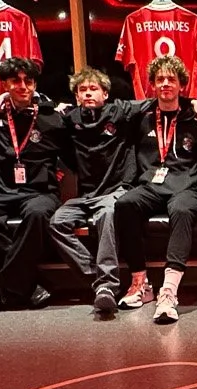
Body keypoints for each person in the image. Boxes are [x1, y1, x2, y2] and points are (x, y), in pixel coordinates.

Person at [109, 55, 197, 323]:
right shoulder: (142, 113)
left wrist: (195, 102)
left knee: (182, 211)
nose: (165, 84)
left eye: (171, 79)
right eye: (160, 79)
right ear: (152, 84)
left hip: (187, 184)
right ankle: (140, 283)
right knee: (124, 204)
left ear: (182, 84)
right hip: (152, 183)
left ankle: (169, 292)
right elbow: (113, 107)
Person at [0, 57, 68, 314]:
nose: (23, 86)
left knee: (37, 215)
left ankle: (0, 286)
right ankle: (27, 285)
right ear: (5, 84)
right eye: (15, 81)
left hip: (39, 191)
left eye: (28, 81)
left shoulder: (52, 116)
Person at [44, 67, 135, 318]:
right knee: (56, 222)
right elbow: (41, 112)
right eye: (82, 90)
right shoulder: (70, 119)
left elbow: (151, 104)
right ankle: (99, 280)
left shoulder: (117, 112)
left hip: (114, 191)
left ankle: (108, 285)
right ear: (76, 96)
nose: (88, 94)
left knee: (106, 214)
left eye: (93, 89)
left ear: (105, 93)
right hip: (85, 195)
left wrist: (192, 101)